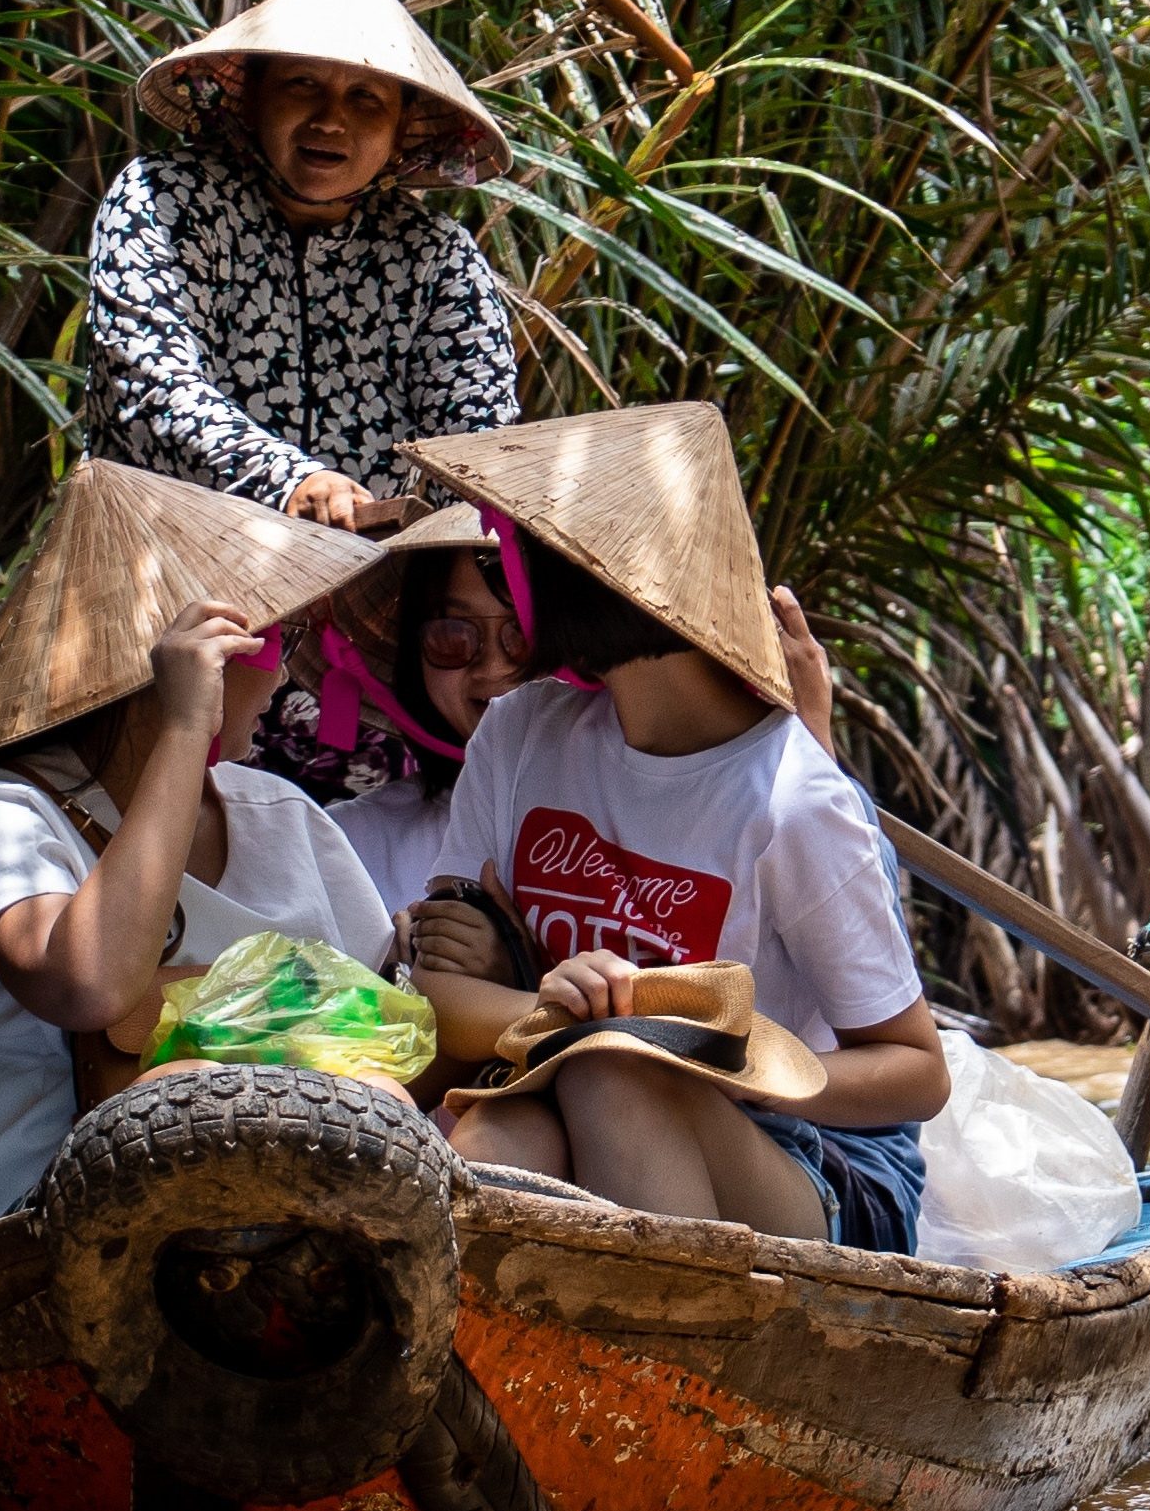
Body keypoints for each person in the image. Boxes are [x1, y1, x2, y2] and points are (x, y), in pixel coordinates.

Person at [403, 403, 949, 1248]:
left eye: (515, 556)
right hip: (565, 1083)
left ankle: (676, 1361)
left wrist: (720, 1064)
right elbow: (437, 986)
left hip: (813, 1158)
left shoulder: (791, 800)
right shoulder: (520, 735)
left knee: (614, 1074)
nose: (506, 578)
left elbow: (917, 1072)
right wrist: (558, 1008)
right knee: (501, 1132)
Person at [0, 464, 395, 1239]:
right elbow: (92, 987)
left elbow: (381, 1025)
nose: (285, 673)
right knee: (194, 1101)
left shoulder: (281, 815)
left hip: (293, 1232)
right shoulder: (5, 817)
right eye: (274, 639)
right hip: (37, 1242)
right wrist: (182, 728)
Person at [77, 0, 520, 537]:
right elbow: (150, 386)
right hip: (167, 573)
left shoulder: (435, 256)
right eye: (302, 84)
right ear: (253, 96)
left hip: (365, 592)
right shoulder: (166, 197)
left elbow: (479, 447)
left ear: (399, 132)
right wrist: (291, 483)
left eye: (366, 98)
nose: (331, 120)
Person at [324, 506, 531, 913]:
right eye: (452, 634)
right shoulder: (349, 844)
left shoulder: (661, 822)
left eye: (523, 633)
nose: (493, 667)